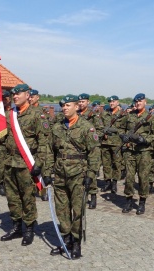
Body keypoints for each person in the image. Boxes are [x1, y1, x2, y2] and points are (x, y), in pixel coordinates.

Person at [0, 83, 53, 246]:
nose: (15, 97)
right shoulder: (10, 114)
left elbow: (45, 142)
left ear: (28, 95)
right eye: (13, 95)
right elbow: (4, 141)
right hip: (10, 163)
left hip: (27, 163)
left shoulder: (38, 114)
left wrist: (40, 164)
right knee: (12, 197)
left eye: (18, 94)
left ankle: (29, 228)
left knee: (27, 197)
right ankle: (17, 226)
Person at [49, 94, 101, 259]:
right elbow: (50, 151)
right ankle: (66, 240)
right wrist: (47, 171)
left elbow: (94, 152)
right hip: (60, 173)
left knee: (77, 210)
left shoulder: (87, 127)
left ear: (77, 107)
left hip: (78, 174)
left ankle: (76, 242)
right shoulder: (57, 128)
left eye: (68, 105)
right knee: (62, 209)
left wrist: (91, 174)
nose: (64, 108)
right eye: (63, 105)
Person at [119, 93, 154, 215]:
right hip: (130, 151)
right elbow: (120, 128)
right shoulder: (128, 116)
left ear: (145, 102)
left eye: (140, 101)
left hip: (144, 152)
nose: (138, 103)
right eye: (136, 102)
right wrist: (123, 136)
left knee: (143, 177)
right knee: (129, 177)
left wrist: (145, 139)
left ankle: (142, 202)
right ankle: (129, 200)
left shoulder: (151, 118)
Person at [77, 93, 104, 209]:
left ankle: (93, 196)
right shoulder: (76, 115)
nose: (81, 103)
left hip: (90, 148)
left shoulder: (94, 116)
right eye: (79, 102)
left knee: (90, 172)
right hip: (77, 149)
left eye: (83, 101)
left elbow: (101, 131)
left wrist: (92, 138)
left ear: (88, 102)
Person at [99, 95, 126, 194]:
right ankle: (107, 182)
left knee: (116, 163)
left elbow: (125, 128)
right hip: (105, 143)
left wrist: (114, 131)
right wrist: (104, 133)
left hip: (116, 143)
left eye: (113, 102)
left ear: (117, 102)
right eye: (110, 102)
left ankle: (114, 183)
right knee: (106, 164)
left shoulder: (123, 114)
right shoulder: (104, 114)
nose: (111, 103)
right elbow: (100, 126)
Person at [0, 90, 11, 197]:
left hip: (12, 143)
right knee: (0, 164)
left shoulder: (14, 112)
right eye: (2, 99)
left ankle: (8, 183)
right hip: (1, 143)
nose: (4, 101)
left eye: (6, 98)